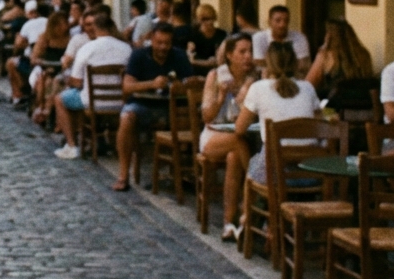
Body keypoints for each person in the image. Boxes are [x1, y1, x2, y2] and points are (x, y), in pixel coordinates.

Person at [114, 22, 194, 191]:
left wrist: (179, 85)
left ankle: (186, 174)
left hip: (172, 108)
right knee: (127, 117)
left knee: (196, 119)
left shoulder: (179, 56)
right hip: (143, 105)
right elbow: (127, 87)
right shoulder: (139, 55)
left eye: (167, 43)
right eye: (159, 42)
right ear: (151, 40)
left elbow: (190, 83)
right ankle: (123, 175)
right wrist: (152, 83)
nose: (163, 47)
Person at [232, 42, 321, 186]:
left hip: (273, 175)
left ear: (268, 63)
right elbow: (319, 127)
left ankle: (250, 203)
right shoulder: (308, 88)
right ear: (295, 62)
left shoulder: (258, 88)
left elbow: (239, 129)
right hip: (309, 173)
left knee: (248, 155)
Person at [197, 34, 258, 241]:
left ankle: (229, 223)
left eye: (250, 51)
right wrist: (222, 95)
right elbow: (206, 116)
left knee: (234, 157)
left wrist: (248, 90)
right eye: (242, 52)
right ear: (230, 55)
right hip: (213, 136)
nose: (248, 56)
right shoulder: (215, 76)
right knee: (237, 142)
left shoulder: (255, 79)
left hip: (241, 137)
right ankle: (254, 188)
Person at [54, 11, 132, 159]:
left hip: (91, 103)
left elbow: (76, 81)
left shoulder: (87, 48)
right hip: (121, 103)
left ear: (95, 28)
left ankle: (72, 145)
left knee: (60, 99)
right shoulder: (126, 48)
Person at [305, 18, 374, 99]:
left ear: (329, 36)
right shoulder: (364, 54)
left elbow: (308, 86)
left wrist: (323, 48)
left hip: (335, 106)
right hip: (362, 104)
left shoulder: (325, 56)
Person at [29, 11, 72, 126]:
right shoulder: (45, 38)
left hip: (61, 69)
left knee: (56, 82)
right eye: (63, 24)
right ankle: (42, 107)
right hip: (45, 67)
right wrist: (44, 63)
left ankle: (47, 111)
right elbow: (34, 58)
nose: (66, 26)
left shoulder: (69, 38)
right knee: (45, 80)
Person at [4, 0, 47, 109]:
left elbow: (18, 45)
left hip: (32, 60)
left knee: (10, 63)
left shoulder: (28, 25)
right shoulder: (48, 22)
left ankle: (19, 95)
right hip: (47, 59)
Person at [252, 5, 311, 72]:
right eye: (278, 20)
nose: (282, 24)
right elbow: (258, 64)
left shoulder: (299, 38)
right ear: (269, 22)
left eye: (286, 21)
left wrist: (271, 63)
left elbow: (303, 65)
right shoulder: (259, 38)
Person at [187, 4, 225, 74]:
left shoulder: (221, 35)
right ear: (199, 20)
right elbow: (191, 60)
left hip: (217, 72)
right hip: (197, 72)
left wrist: (198, 62)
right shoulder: (193, 35)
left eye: (211, 18)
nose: (209, 22)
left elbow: (220, 60)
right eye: (204, 19)